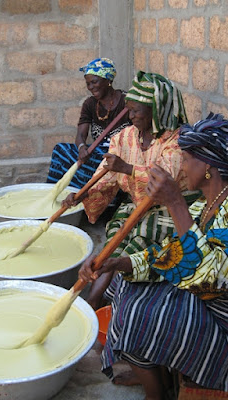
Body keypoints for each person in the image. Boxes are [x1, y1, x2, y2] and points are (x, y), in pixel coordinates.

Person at [79, 113, 228, 399]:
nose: (182, 167)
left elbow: (210, 283)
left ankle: (156, 391)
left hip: (219, 311)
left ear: (208, 165)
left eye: (187, 160)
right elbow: (171, 253)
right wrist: (117, 262)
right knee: (120, 283)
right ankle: (152, 372)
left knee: (139, 312)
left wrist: (174, 202)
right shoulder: (206, 205)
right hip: (200, 291)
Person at [64, 71, 199, 313]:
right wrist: (82, 194)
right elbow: (104, 176)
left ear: (157, 111)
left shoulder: (177, 141)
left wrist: (126, 167)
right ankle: (94, 301)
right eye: (128, 109)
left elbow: (162, 181)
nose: (131, 115)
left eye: (137, 110)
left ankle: (104, 301)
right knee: (113, 243)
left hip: (172, 213)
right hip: (136, 206)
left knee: (132, 245)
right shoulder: (124, 137)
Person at [46, 57, 131, 189]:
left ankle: (88, 196)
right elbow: (80, 135)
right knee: (60, 150)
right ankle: (53, 191)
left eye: (94, 82)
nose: (91, 87)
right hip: (96, 151)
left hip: (119, 154)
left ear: (108, 80)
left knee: (97, 162)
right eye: (88, 84)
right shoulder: (90, 104)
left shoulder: (127, 102)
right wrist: (81, 148)